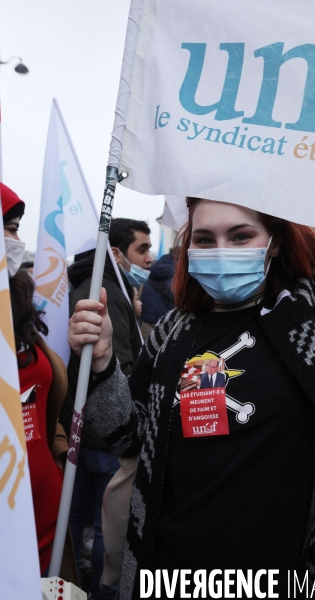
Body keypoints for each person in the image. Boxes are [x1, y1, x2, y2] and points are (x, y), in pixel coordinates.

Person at [68, 198, 315, 599]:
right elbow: (128, 439)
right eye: (205, 240)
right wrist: (102, 364)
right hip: (174, 574)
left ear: (274, 242)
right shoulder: (174, 330)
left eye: (241, 236)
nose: (222, 251)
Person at [60, 218, 148, 599]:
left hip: (77, 430)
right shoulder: (105, 293)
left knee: (77, 519)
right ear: (115, 253)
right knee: (105, 523)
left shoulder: (88, 285)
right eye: (141, 250)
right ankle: (101, 592)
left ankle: (72, 582)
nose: (148, 258)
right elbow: (120, 369)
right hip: (102, 438)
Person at [2, 182, 77, 582]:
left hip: (47, 506)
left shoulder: (17, 302)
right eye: (7, 228)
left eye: (15, 228)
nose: (14, 241)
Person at [110, 218, 153, 287]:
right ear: (116, 255)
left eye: (148, 250)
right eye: (142, 250)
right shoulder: (105, 293)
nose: (150, 259)